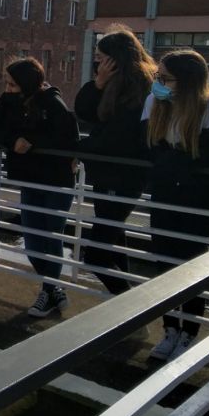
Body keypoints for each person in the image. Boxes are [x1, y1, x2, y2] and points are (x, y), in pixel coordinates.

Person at [143, 49, 209, 361]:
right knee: (164, 265)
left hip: (197, 199)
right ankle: (169, 330)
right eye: (158, 77)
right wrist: (175, 159)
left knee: (192, 266)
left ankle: (188, 332)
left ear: (188, 81)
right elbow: (150, 148)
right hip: (165, 196)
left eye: (165, 78)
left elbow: (206, 156)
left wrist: (173, 159)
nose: (159, 83)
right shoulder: (155, 103)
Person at [0, 57, 78, 317]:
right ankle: (53, 288)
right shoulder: (8, 101)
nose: (8, 89)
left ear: (27, 85)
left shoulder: (52, 102)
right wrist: (13, 139)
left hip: (55, 179)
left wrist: (31, 139)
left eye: (13, 85)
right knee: (32, 241)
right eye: (7, 84)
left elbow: (68, 137)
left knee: (52, 236)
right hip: (29, 178)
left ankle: (48, 289)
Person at [74, 27, 157, 295]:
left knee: (97, 254)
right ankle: (124, 311)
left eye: (102, 57)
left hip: (122, 176)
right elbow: (84, 113)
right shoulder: (112, 83)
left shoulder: (139, 87)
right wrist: (97, 83)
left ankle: (131, 309)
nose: (98, 62)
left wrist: (77, 147)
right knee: (114, 242)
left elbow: (118, 136)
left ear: (116, 58)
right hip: (107, 175)